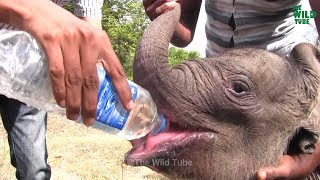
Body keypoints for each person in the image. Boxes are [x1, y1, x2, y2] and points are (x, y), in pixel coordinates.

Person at [142, 0, 320, 179]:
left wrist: (313, 157)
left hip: (276, 88)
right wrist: (166, 11)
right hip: (216, 75)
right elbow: (184, 32)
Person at [0, 0, 133, 179]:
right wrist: (32, 9)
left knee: (35, 171)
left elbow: (89, 26)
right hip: (9, 47)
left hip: (28, 73)